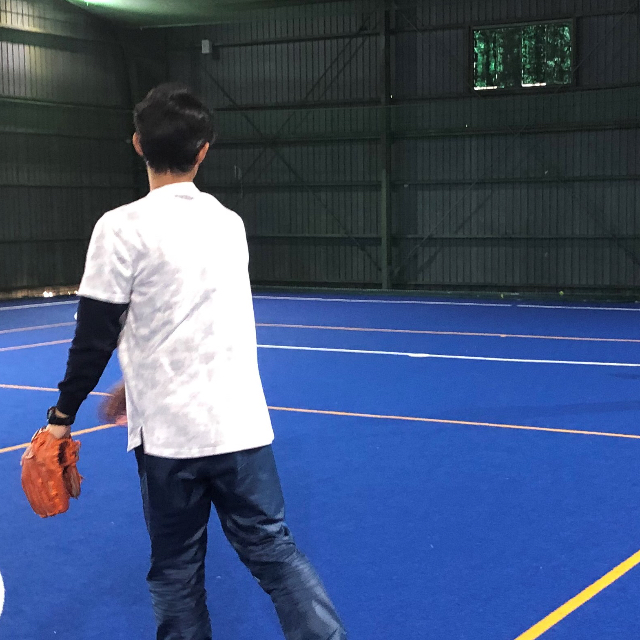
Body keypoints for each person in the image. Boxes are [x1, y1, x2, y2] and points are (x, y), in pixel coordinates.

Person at [42, 83, 347, 640]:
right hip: (241, 428)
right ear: (203, 150)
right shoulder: (228, 222)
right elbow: (200, 318)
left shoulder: (120, 227)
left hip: (170, 441)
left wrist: (61, 418)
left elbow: (93, 338)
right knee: (275, 554)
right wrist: (137, 379)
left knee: (177, 570)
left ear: (138, 144)